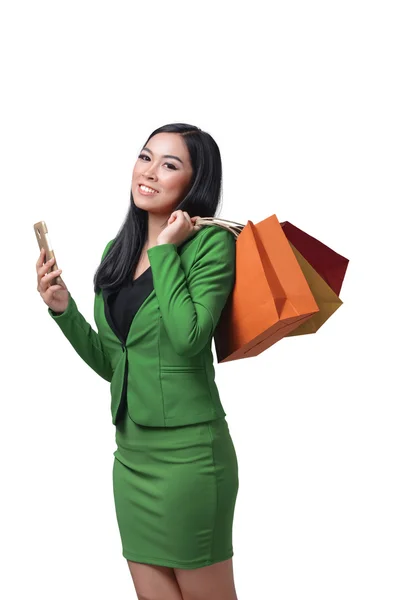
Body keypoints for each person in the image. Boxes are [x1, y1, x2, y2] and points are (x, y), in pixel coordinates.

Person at [36, 123, 239, 600]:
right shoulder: (116, 253)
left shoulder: (212, 247)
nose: (149, 172)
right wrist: (64, 311)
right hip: (132, 456)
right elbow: (116, 363)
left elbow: (189, 339)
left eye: (170, 164)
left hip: (190, 459)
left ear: (195, 183)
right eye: (145, 157)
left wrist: (166, 251)